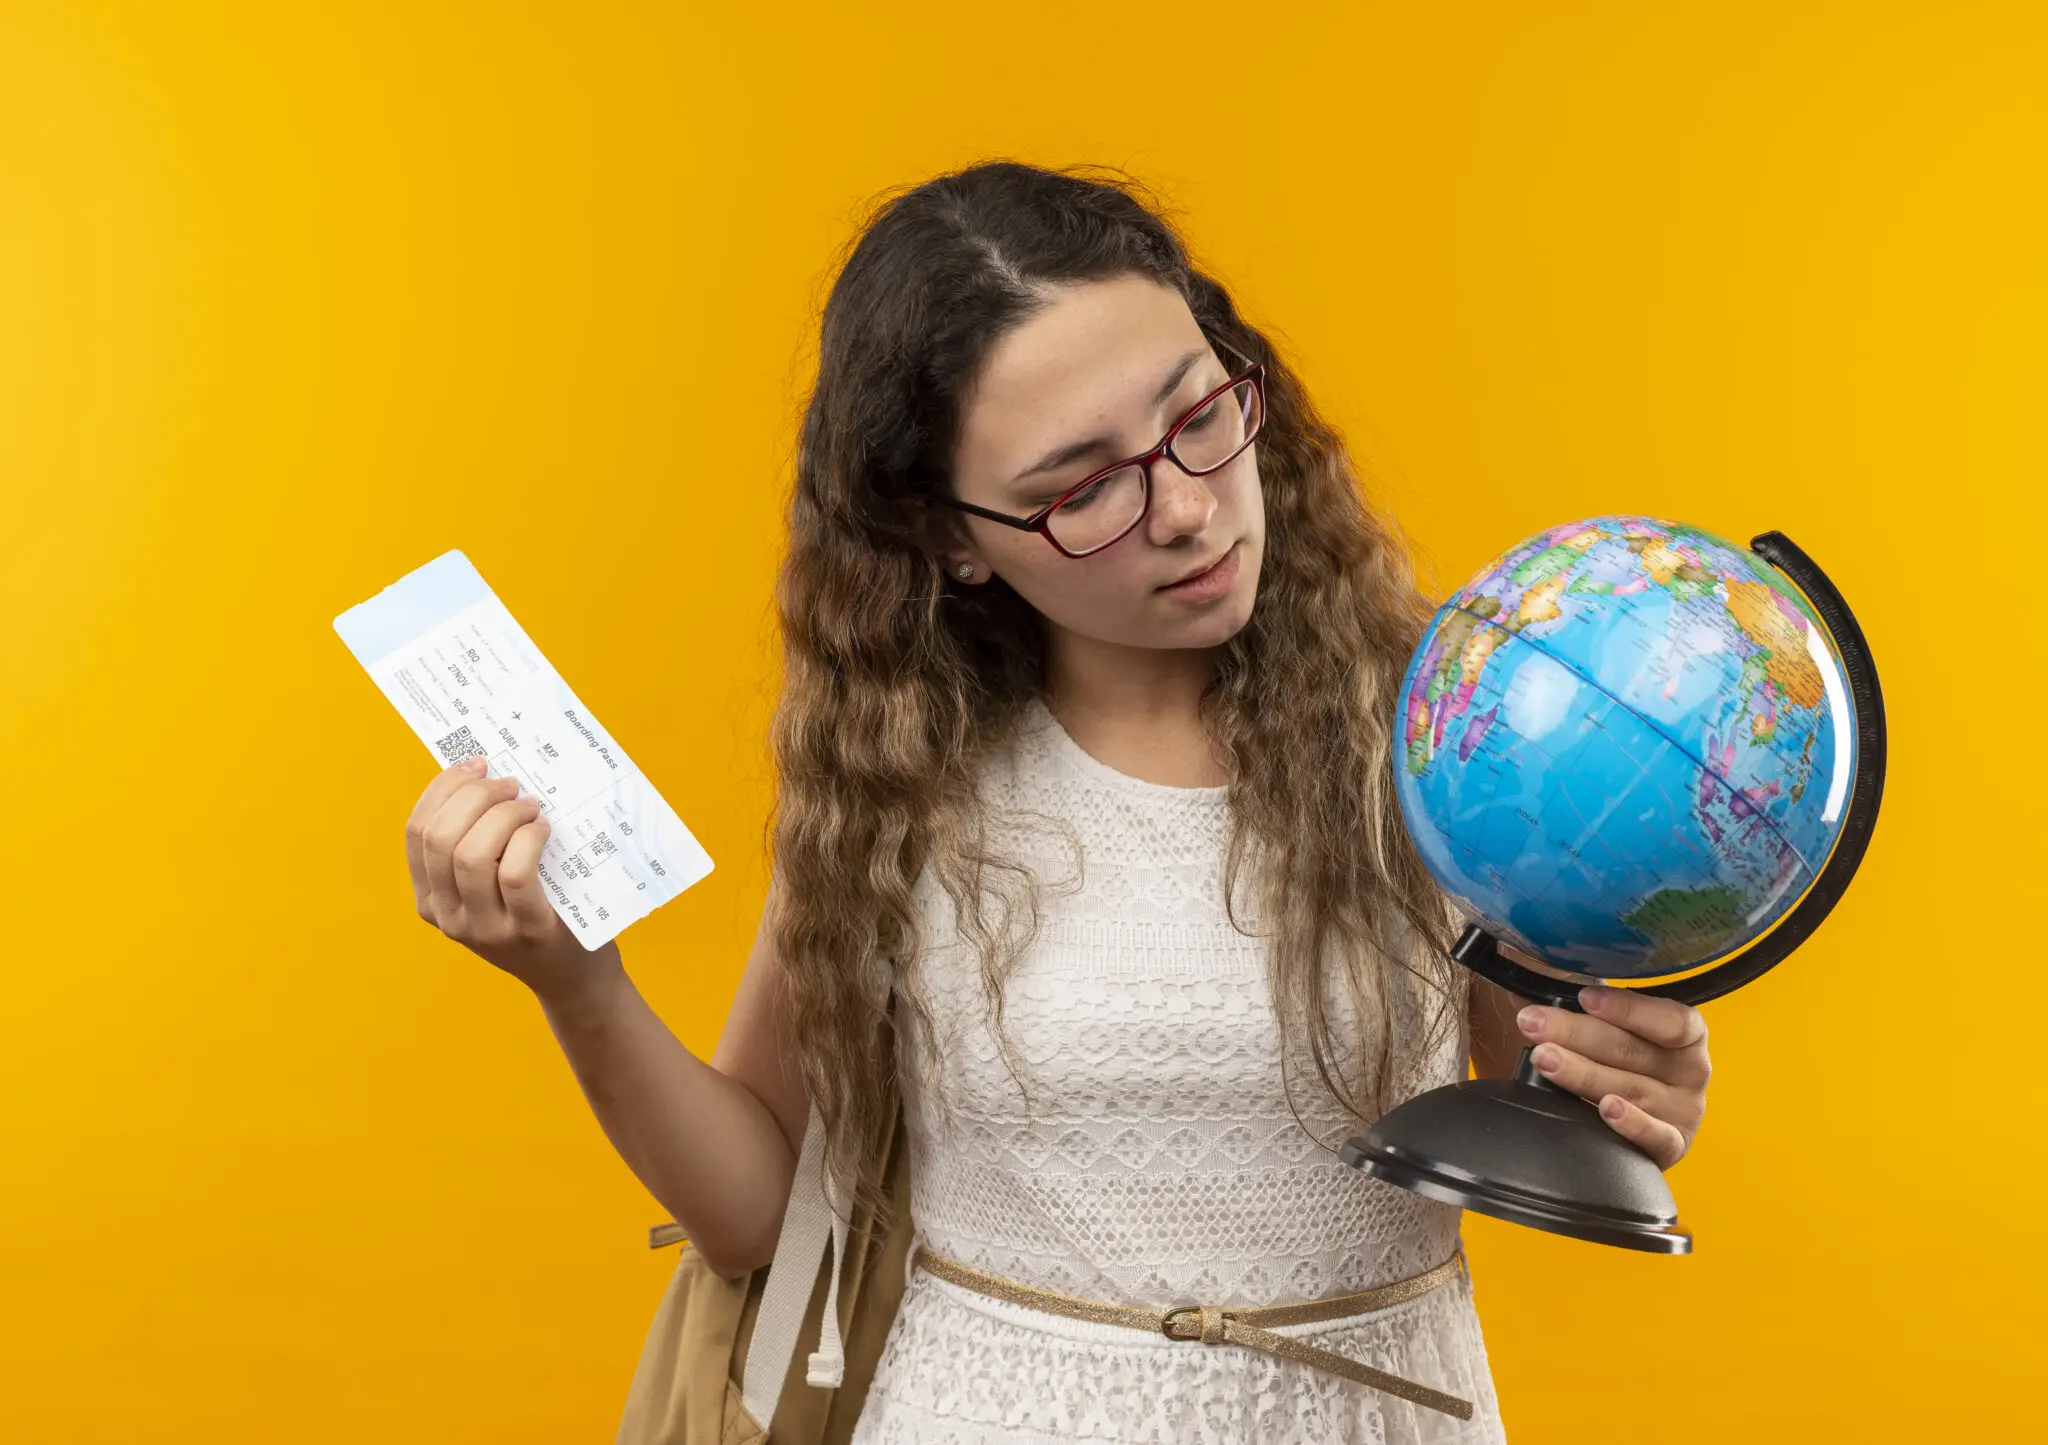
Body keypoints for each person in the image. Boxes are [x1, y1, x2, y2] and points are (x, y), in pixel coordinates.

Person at [403, 160, 1713, 1443]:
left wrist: (1633, 1084)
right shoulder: (902, 785)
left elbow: (1542, 1093)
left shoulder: (1454, 729)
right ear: (951, 537)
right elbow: (758, 1212)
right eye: (1083, 490)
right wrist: (579, 984)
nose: (1192, 511)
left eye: (1198, 415)